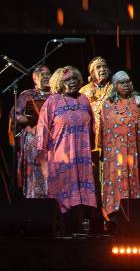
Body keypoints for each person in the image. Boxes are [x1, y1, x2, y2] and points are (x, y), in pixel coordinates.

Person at [36, 66, 98, 232]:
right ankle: (62, 230)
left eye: (74, 79)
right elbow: (42, 129)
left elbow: (93, 127)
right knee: (62, 193)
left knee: (81, 195)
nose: (72, 82)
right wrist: (42, 157)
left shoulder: (84, 100)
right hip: (60, 157)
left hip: (82, 157)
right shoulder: (52, 101)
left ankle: (79, 229)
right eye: (67, 80)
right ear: (59, 83)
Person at [99, 71, 140, 221]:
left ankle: (137, 213)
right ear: (115, 86)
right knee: (116, 180)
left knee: (134, 177)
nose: (126, 85)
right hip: (114, 154)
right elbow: (102, 130)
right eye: (122, 83)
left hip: (135, 151)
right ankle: (114, 214)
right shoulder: (107, 104)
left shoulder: (139, 102)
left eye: (128, 81)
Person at [11, 65, 50, 198]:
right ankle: (35, 202)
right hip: (32, 142)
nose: (46, 76)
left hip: (52, 142)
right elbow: (15, 117)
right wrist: (29, 118)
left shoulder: (56, 95)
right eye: (42, 74)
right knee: (35, 174)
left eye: (48, 74)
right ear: (34, 79)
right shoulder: (26, 95)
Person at [79, 56, 113, 156]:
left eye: (104, 66)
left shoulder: (116, 87)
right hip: (90, 134)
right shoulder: (83, 91)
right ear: (92, 72)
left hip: (111, 132)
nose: (102, 69)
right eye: (98, 67)